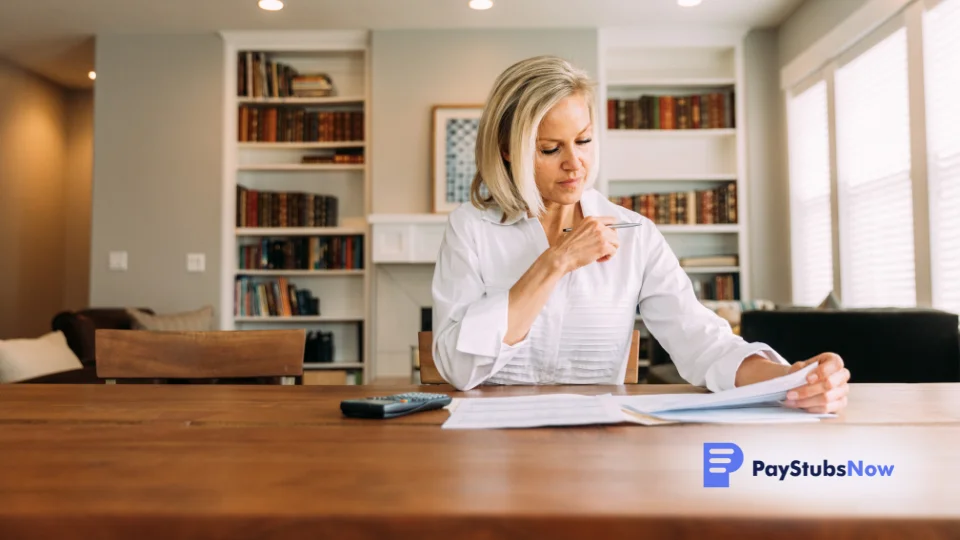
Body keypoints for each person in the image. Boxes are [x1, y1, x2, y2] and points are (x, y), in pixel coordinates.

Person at [430, 55, 850, 414]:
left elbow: (701, 342)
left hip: (597, 446)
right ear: (508, 148)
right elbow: (457, 368)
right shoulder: (472, 228)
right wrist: (555, 263)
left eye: (584, 140)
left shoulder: (637, 234)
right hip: (488, 443)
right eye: (550, 149)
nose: (575, 163)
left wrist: (789, 379)